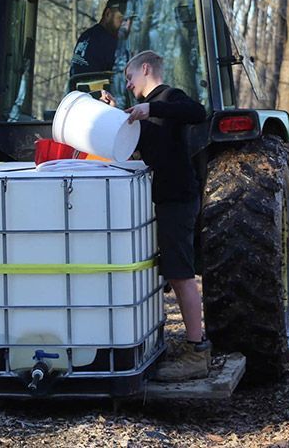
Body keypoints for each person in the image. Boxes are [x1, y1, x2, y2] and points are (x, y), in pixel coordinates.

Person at [100, 50, 210, 381]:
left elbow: (197, 111)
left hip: (178, 198)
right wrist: (116, 114)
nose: (128, 81)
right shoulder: (149, 110)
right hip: (160, 199)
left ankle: (197, 351)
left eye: (130, 75)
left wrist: (152, 108)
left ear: (146, 69)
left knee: (180, 274)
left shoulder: (169, 98)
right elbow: (138, 140)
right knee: (170, 272)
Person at [68, 0, 131, 78]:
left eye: (131, 20)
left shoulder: (86, 36)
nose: (127, 26)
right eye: (123, 19)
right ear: (108, 14)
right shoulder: (110, 43)